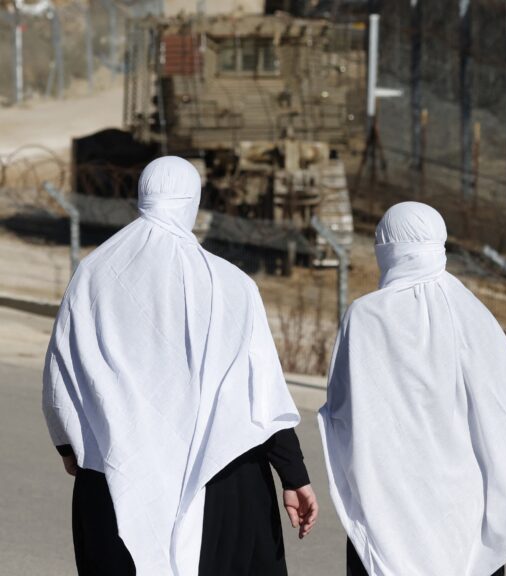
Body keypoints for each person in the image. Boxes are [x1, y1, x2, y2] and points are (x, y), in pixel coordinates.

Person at [41, 156, 318, 576]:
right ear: (193, 201)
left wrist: (69, 444)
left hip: (115, 474)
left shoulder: (95, 273)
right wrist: (293, 475)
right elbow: (261, 389)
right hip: (223, 481)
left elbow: (61, 372)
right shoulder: (230, 283)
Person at [318, 201, 506, 576]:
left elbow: (341, 411)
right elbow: (502, 414)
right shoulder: (470, 312)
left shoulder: (365, 317)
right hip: (460, 507)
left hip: (386, 503)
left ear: (387, 247)